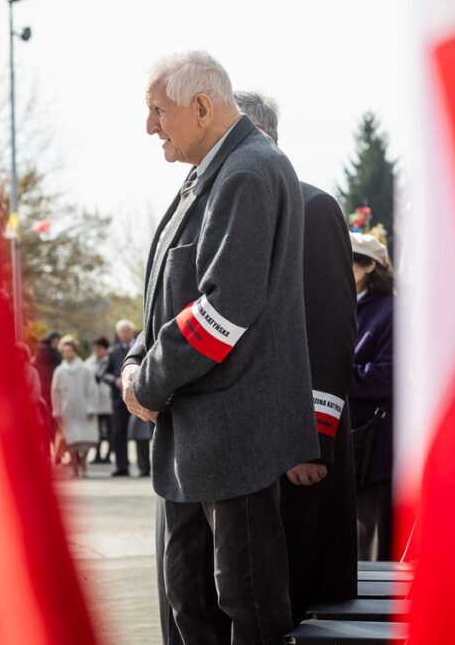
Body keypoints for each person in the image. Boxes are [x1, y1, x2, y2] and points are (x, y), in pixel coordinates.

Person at [121, 50, 317, 645]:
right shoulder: (213, 171)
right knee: (192, 604)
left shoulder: (247, 171)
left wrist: (146, 382)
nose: (150, 126)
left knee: (245, 605)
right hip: (201, 438)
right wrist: (136, 363)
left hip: (234, 438)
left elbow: (221, 313)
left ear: (202, 107)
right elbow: (169, 298)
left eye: (158, 110)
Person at [236, 90, 359, 623]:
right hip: (247, 449)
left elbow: (331, 329)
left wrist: (311, 439)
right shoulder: (225, 215)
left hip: (299, 452)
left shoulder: (312, 207)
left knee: (304, 602)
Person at [348, 232, 395, 561]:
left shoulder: (391, 310)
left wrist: (335, 379)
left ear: (367, 266)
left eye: (346, 257)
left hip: (376, 444)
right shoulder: (341, 305)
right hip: (348, 439)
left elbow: (389, 375)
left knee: (374, 542)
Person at [101, 320, 148, 477]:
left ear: (132, 332)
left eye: (127, 331)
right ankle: (122, 467)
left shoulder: (142, 347)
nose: (124, 334)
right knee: (118, 432)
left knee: (141, 433)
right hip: (118, 399)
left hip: (138, 395)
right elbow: (102, 373)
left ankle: (144, 467)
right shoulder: (113, 352)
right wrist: (114, 380)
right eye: (121, 332)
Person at [51, 335, 98, 478]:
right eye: (64, 352)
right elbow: (55, 392)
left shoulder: (85, 369)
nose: (67, 354)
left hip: (84, 408)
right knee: (70, 439)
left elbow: (92, 390)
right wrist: (57, 410)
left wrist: (91, 408)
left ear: (75, 351)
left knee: (87, 439)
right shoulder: (59, 371)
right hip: (68, 410)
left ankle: (83, 462)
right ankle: (74, 467)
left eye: (69, 351)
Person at [85, 337, 113, 464]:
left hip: (108, 401)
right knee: (97, 430)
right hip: (95, 402)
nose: (97, 351)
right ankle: (97, 454)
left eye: (100, 348)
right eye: (95, 348)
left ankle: (108, 454)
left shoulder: (109, 361)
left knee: (110, 429)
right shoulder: (89, 363)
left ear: (105, 349)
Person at [33, 330, 61, 415]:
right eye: (57, 340)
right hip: (52, 386)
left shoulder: (38, 353)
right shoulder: (55, 353)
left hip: (41, 387)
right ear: (53, 340)